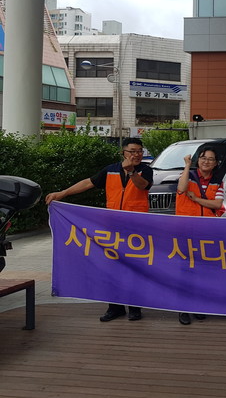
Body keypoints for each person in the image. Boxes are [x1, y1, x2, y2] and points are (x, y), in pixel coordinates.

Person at [45, 137, 154, 323]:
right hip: (112, 227)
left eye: (139, 151)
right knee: (112, 267)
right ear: (123, 153)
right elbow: (88, 183)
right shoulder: (110, 170)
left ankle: (135, 308)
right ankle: (115, 307)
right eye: (133, 151)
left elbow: (142, 185)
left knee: (134, 268)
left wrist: (132, 172)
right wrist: (62, 193)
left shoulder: (146, 170)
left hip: (136, 228)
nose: (137, 155)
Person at [174, 146, 225, 325]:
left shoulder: (218, 181)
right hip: (186, 230)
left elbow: (217, 204)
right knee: (186, 270)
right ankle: (183, 309)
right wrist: (187, 165)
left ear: (216, 163)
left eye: (211, 159)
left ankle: (198, 306)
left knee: (203, 270)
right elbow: (181, 189)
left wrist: (196, 199)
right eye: (203, 158)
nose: (206, 161)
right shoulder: (188, 176)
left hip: (207, 232)